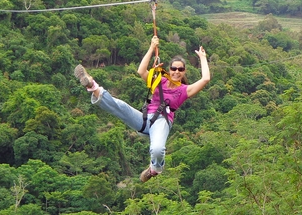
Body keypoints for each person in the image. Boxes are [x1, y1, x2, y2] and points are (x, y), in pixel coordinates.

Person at [74, 35, 210, 182]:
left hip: (162, 122)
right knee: (121, 106)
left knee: (157, 149)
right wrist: (152, 47)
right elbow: (141, 71)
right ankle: (92, 85)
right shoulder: (160, 80)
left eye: (180, 69)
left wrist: (202, 57)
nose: (177, 72)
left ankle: (154, 169)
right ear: (169, 70)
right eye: (174, 68)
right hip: (145, 119)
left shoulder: (184, 90)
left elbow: (205, 79)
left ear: (184, 72)